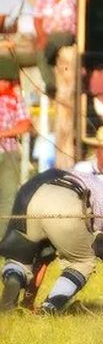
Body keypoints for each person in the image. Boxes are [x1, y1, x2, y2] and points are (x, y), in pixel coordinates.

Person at [0, 170, 103, 314]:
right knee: (82, 262)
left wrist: (28, 302)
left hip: (37, 194)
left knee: (31, 255)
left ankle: (14, 279)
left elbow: (43, 260)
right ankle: (49, 308)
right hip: (66, 201)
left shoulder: (94, 184)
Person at [33, 0, 77, 96]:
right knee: (40, 52)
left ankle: (51, 83)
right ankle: (50, 84)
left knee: (44, 49)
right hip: (47, 35)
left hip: (65, 34)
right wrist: (41, 35)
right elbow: (37, 19)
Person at [0, 75, 32, 235]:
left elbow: (25, 124)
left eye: (6, 80)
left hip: (9, 152)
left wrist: (4, 133)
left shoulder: (15, 98)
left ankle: (2, 241)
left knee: (8, 198)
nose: (4, 83)